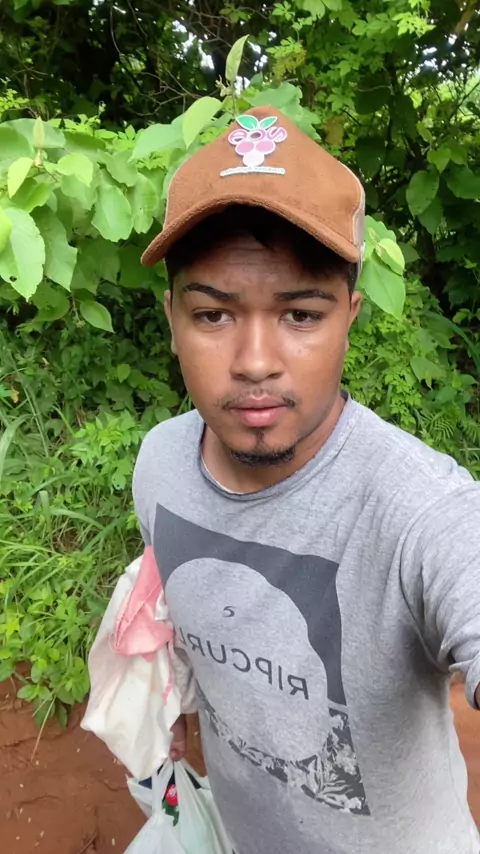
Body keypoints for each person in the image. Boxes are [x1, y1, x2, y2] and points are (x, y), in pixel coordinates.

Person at [133, 106, 480, 854]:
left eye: (300, 315)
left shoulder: (421, 510)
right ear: (172, 320)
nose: (255, 361)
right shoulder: (158, 464)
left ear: (350, 316)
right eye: (213, 315)